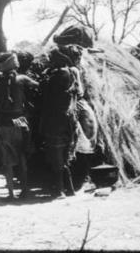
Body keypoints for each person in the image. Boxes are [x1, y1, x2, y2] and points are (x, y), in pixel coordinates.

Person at [0, 52, 38, 199]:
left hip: (4, 121)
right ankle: (24, 190)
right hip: (19, 120)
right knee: (22, 155)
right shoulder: (22, 79)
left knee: (7, 160)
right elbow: (39, 86)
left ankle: (11, 193)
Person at [38, 46, 83, 198]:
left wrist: (43, 80)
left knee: (56, 155)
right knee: (64, 156)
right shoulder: (70, 72)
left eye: (52, 60)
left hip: (56, 119)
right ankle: (69, 188)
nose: (50, 62)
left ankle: (59, 190)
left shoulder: (60, 74)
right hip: (68, 118)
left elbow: (45, 91)